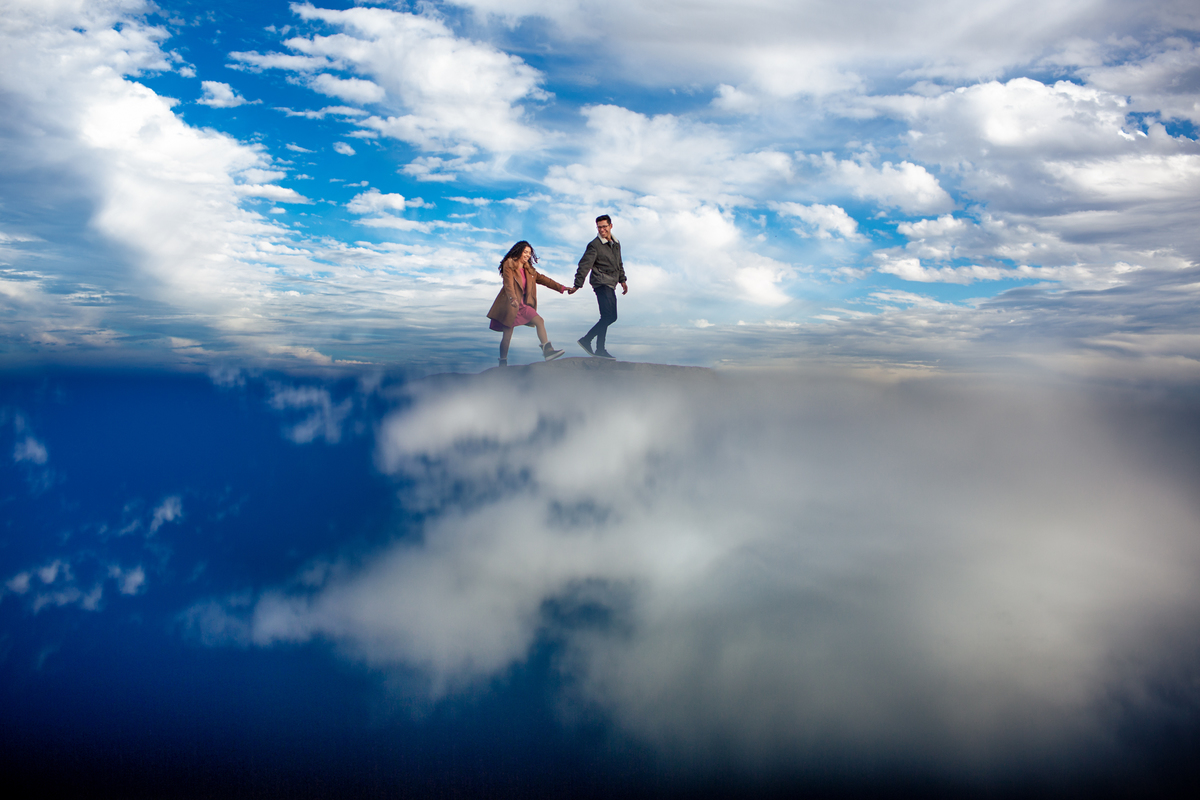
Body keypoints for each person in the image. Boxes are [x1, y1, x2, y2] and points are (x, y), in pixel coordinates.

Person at [486, 240, 576, 366]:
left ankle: (548, 351)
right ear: (518, 252)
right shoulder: (509, 265)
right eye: (525, 252)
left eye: (529, 253)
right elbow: (508, 284)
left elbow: (544, 280)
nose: (528, 255)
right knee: (507, 335)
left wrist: (561, 288)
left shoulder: (529, 270)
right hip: (510, 305)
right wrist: (512, 299)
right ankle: (503, 362)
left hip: (523, 305)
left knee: (539, 321)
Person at [573, 214, 627, 359]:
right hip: (601, 282)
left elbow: (619, 263)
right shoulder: (594, 245)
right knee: (610, 316)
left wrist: (623, 280)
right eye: (599, 227)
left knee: (608, 317)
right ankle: (588, 341)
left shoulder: (616, 244)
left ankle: (599, 349)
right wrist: (577, 284)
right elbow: (584, 264)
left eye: (604, 226)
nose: (602, 230)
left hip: (611, 283)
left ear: (611, 226)